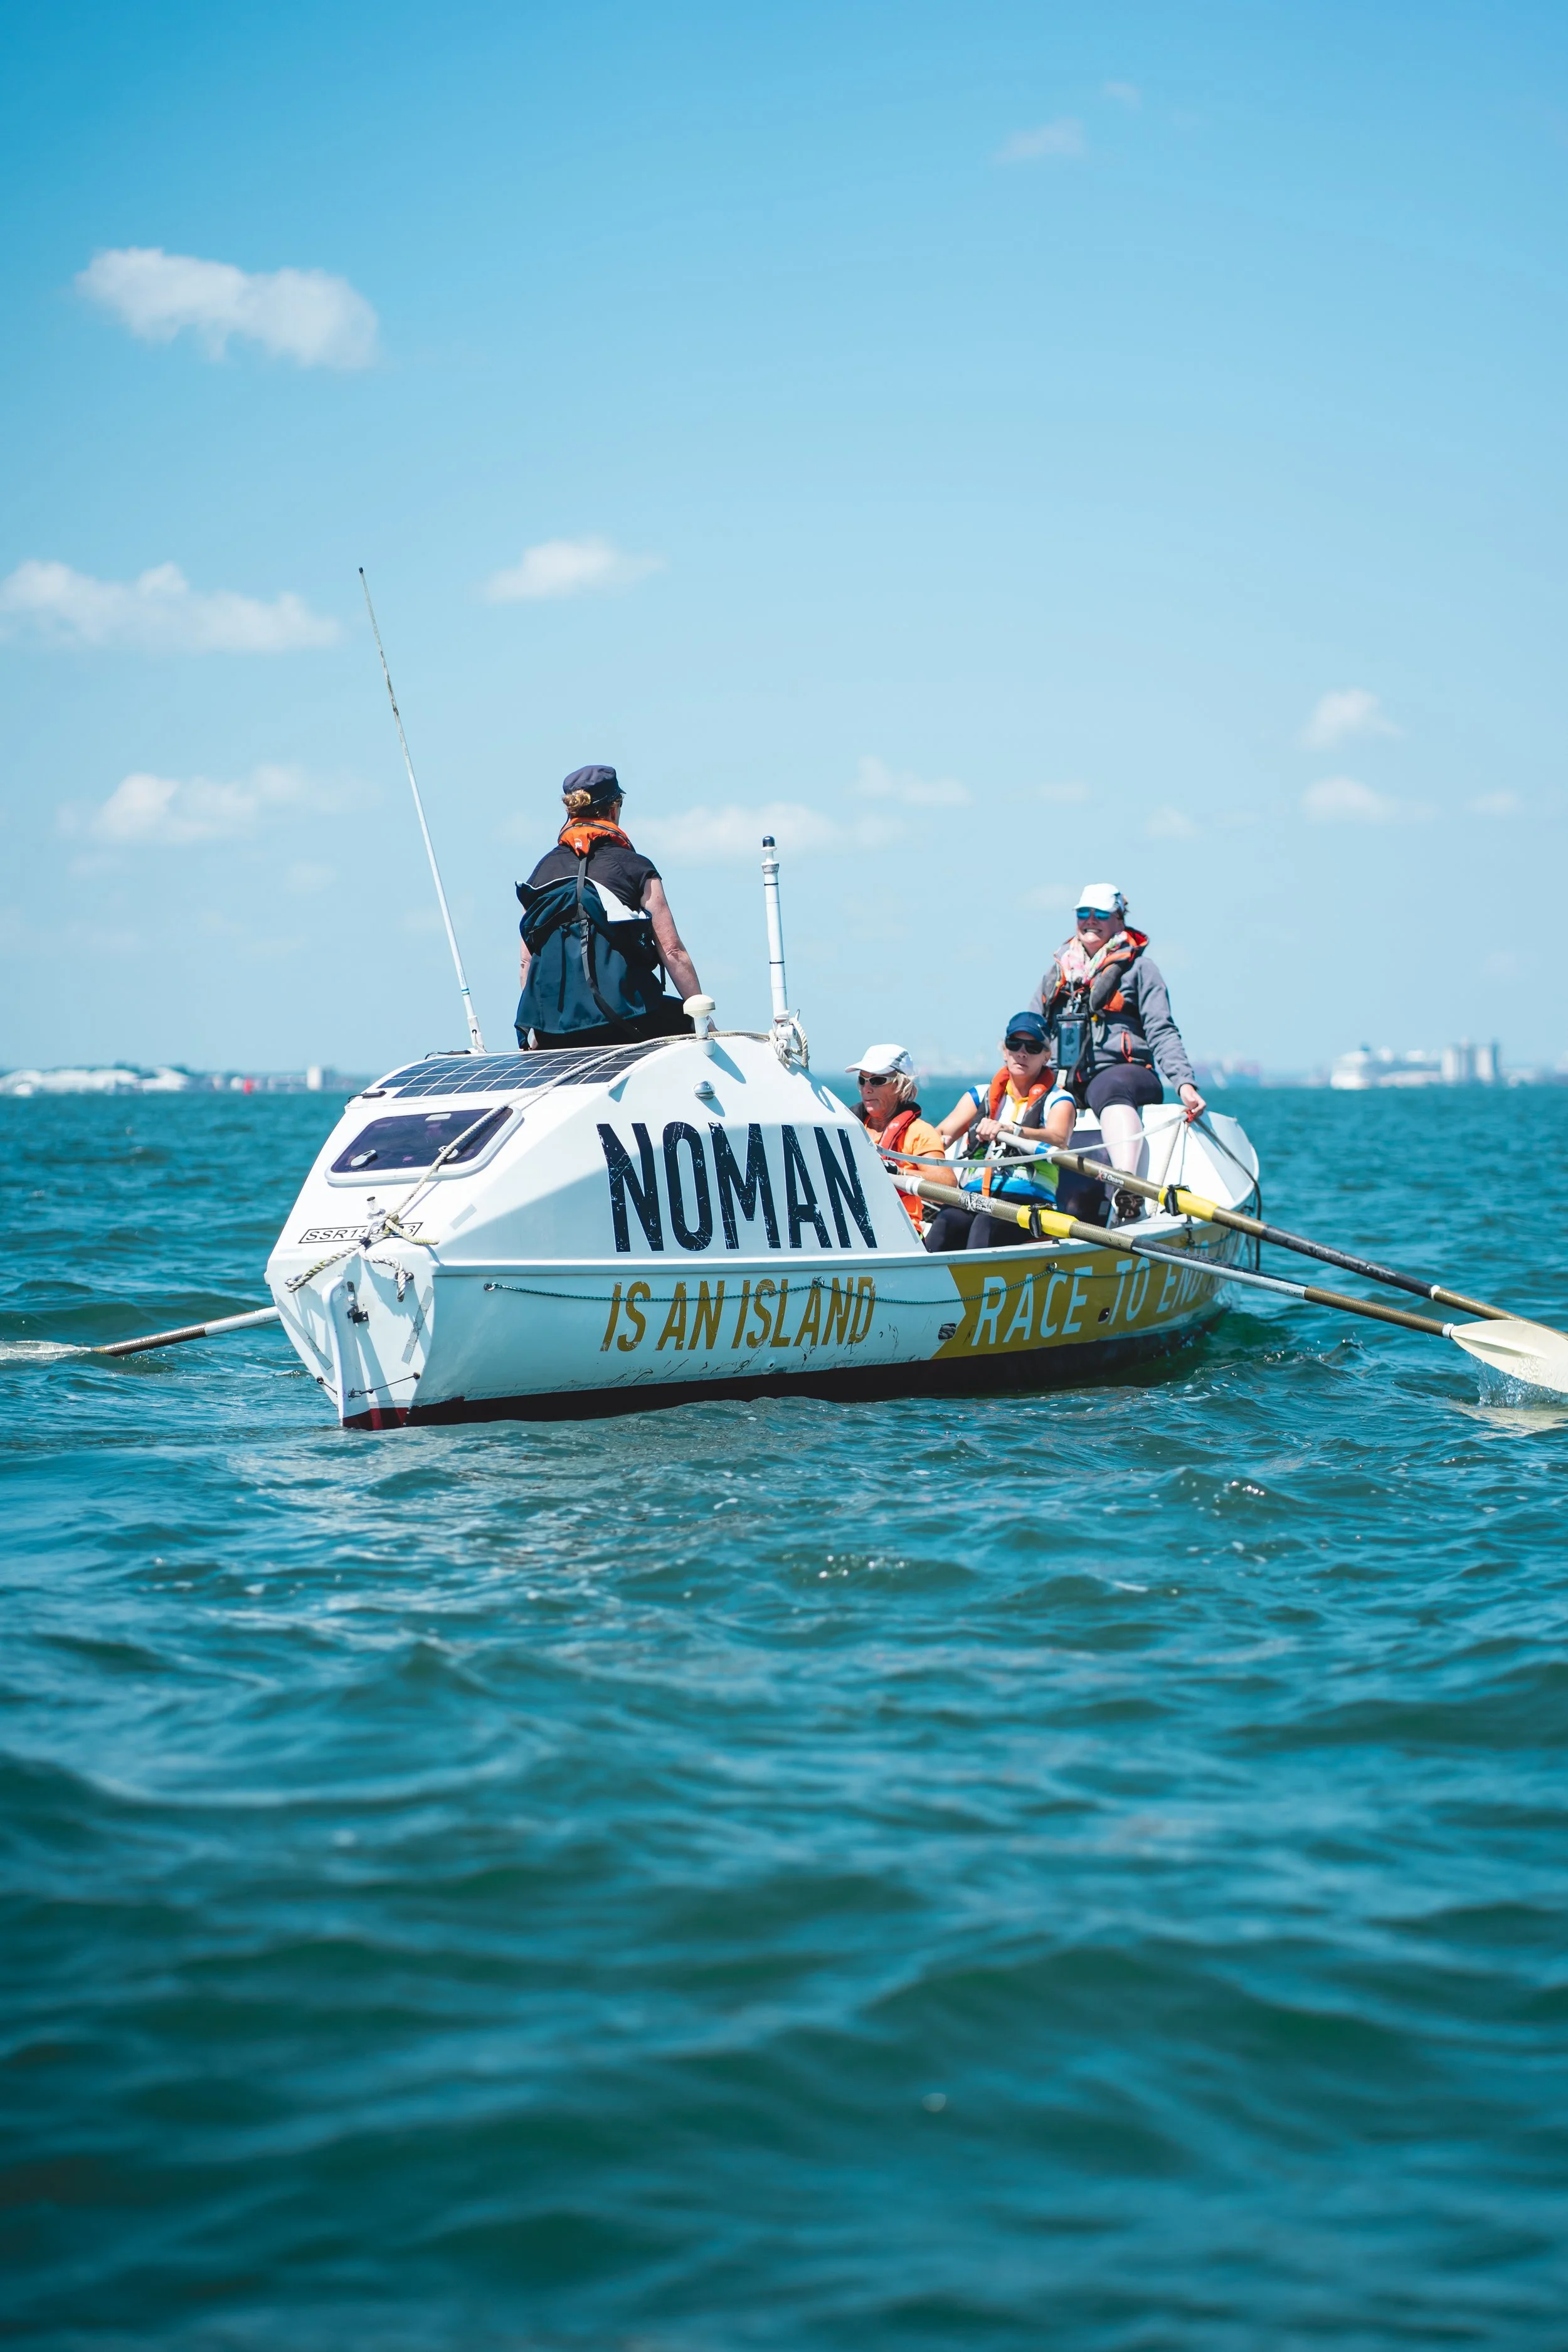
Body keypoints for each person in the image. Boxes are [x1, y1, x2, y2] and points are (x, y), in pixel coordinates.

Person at [1032, 883, 1205, 1218]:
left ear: (1119, 919)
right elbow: (1031, 1027)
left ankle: (1128, 1186)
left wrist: (1184, 1083)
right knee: (1033, 1101)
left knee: (1107, 1087)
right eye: (1084, 913)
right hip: (1068, 1076)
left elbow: (1162, 1029)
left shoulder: (1140, 969)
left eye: (1101, 914)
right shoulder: (1058, 972)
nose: (1090, 921)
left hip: (1126, 1074)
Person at [515, 766, 702, 1048]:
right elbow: (672, 951)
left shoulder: (539, 876)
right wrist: (702, 1020)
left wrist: (543, 1029)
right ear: (614, 810)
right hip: (628, 1018)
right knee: (688, 1027)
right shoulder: (637, 869)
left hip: (554, 1032)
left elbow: (526, 962)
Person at [925, 1012, 1091, 1250]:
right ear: (1005, 1051)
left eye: (1032, 1047)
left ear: (1047, 1056)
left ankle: (978, 1284)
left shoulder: (1059, 1100)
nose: (1022, 1053)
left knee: (985, 1225)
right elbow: (941, 1135)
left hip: (1027, 1202)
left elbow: (1059, 1139)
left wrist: (1013, 1130)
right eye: (1015, 1044)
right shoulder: (979, 1096)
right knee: (945, 1224)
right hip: (973, 1197)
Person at [847, 1044, 956, 1238]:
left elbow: (947, 1184)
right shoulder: (848, 1127)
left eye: (877, 1080)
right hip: (852, 1229)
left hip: (901, 1235)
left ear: (900, 1085)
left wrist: (898, 1171)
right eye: (862, 1081)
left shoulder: (920, 1133)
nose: (867, 1089)